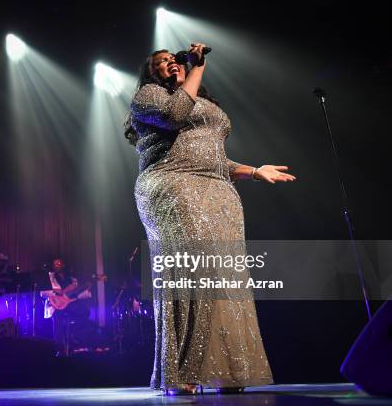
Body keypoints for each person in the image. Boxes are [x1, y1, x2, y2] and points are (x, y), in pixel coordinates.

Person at [125, 44, 296, 395]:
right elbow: (175, 116)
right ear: (152, 74)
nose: (170, 65)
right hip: (173, 185)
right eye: (162, 64)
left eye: (174, 60)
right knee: (193, 269)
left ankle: (228, 370)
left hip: (218, 191)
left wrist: (253, 171)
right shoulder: (148, 96)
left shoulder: (206, 105)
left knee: (224, 274)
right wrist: (196, 68)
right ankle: (183, 370)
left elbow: (214, 157)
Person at [47, 258, 90, 356]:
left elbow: (74, 290)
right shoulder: (51, 276)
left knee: (85, 311)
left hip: (69, 303)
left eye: (59, 263)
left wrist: (84, 289)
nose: (57, 265)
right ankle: (59, 348)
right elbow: (50, 290)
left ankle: (74, 334)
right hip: (56, 304)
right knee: (57, 318)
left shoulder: (70, 277)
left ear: (63, 265)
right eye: (55, 264)